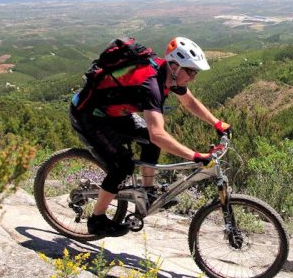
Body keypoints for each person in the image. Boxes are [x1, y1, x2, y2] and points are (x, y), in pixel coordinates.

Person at [69, 37, 231, 236]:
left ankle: (148, 193)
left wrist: (216, 123)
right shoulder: (152, 86)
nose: (193, 78)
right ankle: (97, 220)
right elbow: (158, 134)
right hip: (89, 115)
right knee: (122, 165)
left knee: (149, 141)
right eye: (190, 71)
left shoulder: (168, 75)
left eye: (194, 72)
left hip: (115, 114)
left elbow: (189, 102)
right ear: (175, 66)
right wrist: (196, 156)